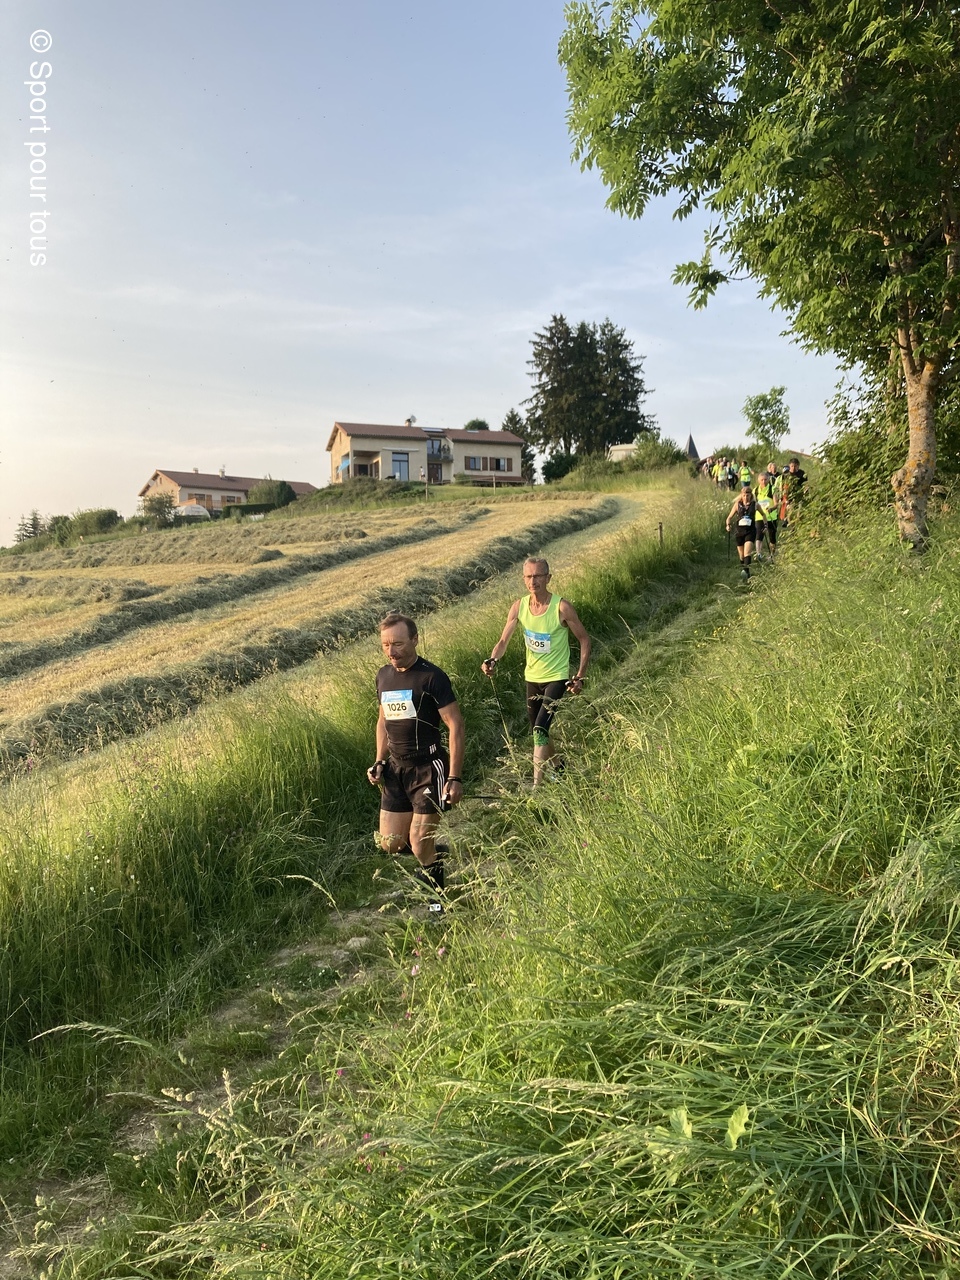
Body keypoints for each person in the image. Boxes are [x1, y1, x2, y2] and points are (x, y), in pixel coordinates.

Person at [368, 613, 464, 911]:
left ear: (415, 639)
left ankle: (438, 904)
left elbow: (456, 725)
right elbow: (383, 721)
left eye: (398, 643)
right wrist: (379, 760)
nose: (391, 651)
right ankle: (432, 854)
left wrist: (454, 777)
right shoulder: (383, 676)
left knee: (419, 841)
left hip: (428, 767)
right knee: (390, 843)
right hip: (396, 769)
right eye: (386, 645)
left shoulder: (431, 677)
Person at [481, 558, 590, 786]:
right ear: (524, 579)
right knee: (539, 731)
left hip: (557, 677)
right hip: (532, 677)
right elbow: (503, 641)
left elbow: (584, 640)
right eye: (529, 576)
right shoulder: (519, 607)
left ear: (548, 578)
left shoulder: (562, 607)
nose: (533, 581)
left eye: (538, 576)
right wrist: (492, 660)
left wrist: (579, 676)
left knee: (540, 729)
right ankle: (558, 767)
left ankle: (536, 789)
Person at [726, 485, 758, 581]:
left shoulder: (755, 504)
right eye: (744, 495)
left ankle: (746, 572)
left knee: (747, 553)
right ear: (741, 495)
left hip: (750, 531)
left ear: (751, 495)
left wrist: (765, 525)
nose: (746, 497)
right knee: (741, 555)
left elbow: (763, 515)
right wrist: (728, 525)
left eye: (747, 495)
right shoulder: (737, 505)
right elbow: (729, 517)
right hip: (739, 532)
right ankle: (744, 571)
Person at [754, 469, 781, 562]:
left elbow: (777, 504)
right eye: (761, 480)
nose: (763, 481)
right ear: (758, 480)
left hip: (771, 517)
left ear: (768, 479)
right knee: (759, 535)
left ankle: (772, 555)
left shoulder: (772, 489)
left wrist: (772, 508)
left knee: (772, 537)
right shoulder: (755, 490)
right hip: (760, 516)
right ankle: (758, 554)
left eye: (765, 479)